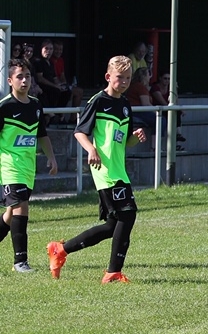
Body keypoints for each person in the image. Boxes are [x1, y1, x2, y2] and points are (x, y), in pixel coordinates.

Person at [46, 55, 147, 283]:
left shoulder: (125, 105)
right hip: (105, 169)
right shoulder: (98, 101)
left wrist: (135, 136)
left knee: (113, 226)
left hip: (119, 169)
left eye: (128, 78)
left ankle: (60, 250)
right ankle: (113, 272)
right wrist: (91, 149)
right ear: (108, 76)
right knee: (128, 214)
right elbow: (79, 132)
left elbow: (124, 142)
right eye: (120, 77)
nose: (124, 82)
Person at [0, 58, 58, 272]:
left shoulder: (35, 105)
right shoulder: (4, 107)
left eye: (27, 76)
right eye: (19, 77)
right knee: (21, 207)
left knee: (10, 214)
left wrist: (51, 157)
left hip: (27, 168)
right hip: (9, 167)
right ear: (10, 81)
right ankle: (20, 261)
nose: (24, 81)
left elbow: (42, 134)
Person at [33, 39, 72, 122]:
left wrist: (61, 85)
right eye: (46, 49)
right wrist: (55, 86)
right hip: (43, 87)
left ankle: (59, 114)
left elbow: (55, 78)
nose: (49, 51)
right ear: (41, 49)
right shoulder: (38, 61)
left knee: (66, 92)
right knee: (55, 91)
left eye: (51, 49)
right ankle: (51, 115)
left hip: (52, 86)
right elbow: (40, 78)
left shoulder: (51, 63)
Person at [126, 67, 166, 148]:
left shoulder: (133, 86)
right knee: (161, 120)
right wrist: (158, 112)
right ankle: (155, 146)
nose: (150, 77)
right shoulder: (140, 87)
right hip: (137, 113)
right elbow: (146, 104)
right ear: (144, 76)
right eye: (148, 75)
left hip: (132, 112)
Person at [150, 68, 186, 149]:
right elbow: (163, 102)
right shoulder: (155, 88)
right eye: (165, 78)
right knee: (173, 112)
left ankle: (177, 136)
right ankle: (177, 136)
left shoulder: (170, 87)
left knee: (175, 113)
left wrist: (175, 89)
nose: (167, 81)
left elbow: (175, 101)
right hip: (157, 110)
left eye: (169, 79)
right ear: (160, 78)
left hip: (167, 109)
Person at [51, 40, 83, 122]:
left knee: (79, 91)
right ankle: (60, 117)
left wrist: (66, 85)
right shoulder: (50, 60)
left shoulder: (61, 60)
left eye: (60, 49)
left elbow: (62, 75)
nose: (58, 51)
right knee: (70, 93)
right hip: (53, 87)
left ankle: (73, 119)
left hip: (61, 86)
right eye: (56, 49)